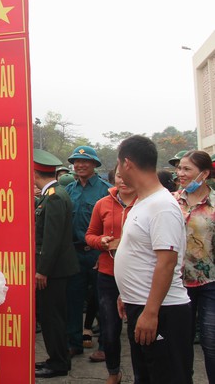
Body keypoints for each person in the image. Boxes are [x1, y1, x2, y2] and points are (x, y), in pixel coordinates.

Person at [114, 135, 192, 383]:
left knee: (167, 375)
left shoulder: (162, 205)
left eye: (117, 164)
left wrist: (151, 311)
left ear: (127, 163)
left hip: (163, 310)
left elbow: (167, 262)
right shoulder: (143, 202)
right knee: (146, 375)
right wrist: (126, 293)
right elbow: (140, 253)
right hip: (141, 304)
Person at [85, 163, 137, 384]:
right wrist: (101, 242)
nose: (122, 180)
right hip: (108, 273)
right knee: (109, 327)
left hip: (138, 275)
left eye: (127, 176)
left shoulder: (146, 203)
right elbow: (90, 234)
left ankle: (143, 374)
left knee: (138, 329)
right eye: (118, 175)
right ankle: (114, 372)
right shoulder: (102, 204)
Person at [33, 149, 78, 379]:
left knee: (53, 318)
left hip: (54, 270)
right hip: (55, 268)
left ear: (34, 172)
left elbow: (52, 239)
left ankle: (58, 363)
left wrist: (42, 270)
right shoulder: (52, 193)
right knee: (52, 317)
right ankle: (56, 358)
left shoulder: (54, 196)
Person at [64, 145, 111, 360]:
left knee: (103, 301)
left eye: (85, 162)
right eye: (76, 162)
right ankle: (74, 343)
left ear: (94, 164)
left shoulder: (106, 190)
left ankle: (106, 346)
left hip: (98, 254)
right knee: (73, 301)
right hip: (74, 254)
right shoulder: (68, 191)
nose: (80, 165)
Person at [175, 150, 215, 382]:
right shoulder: (171, 200)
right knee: (180, 342)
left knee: (210, 341)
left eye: (187, 169)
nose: (180, 173)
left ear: (204, 174)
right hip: (178, 285)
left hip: (210, 283)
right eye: (179, 168)